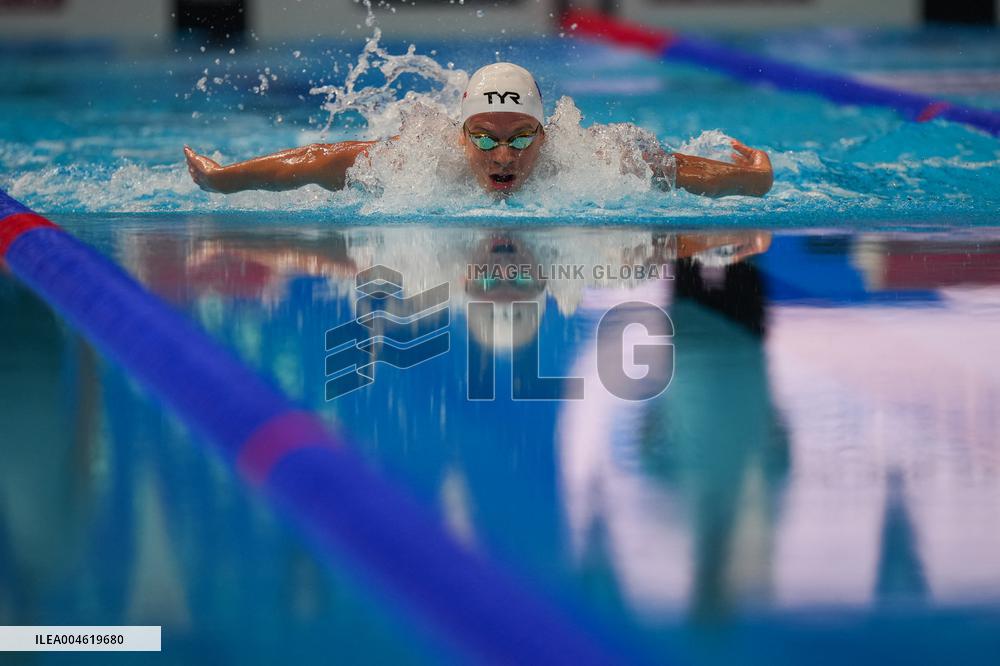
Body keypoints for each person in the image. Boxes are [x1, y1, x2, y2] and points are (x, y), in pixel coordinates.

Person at [184, 62, 773, 198]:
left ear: (546, 136)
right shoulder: (421, 158)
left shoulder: (593, 160)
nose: (503, 153)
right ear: (460, 136)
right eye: (485, 136)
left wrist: (753, 179)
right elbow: (322, 160)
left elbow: (676, 167)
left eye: (521, 137)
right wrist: (224, 180)